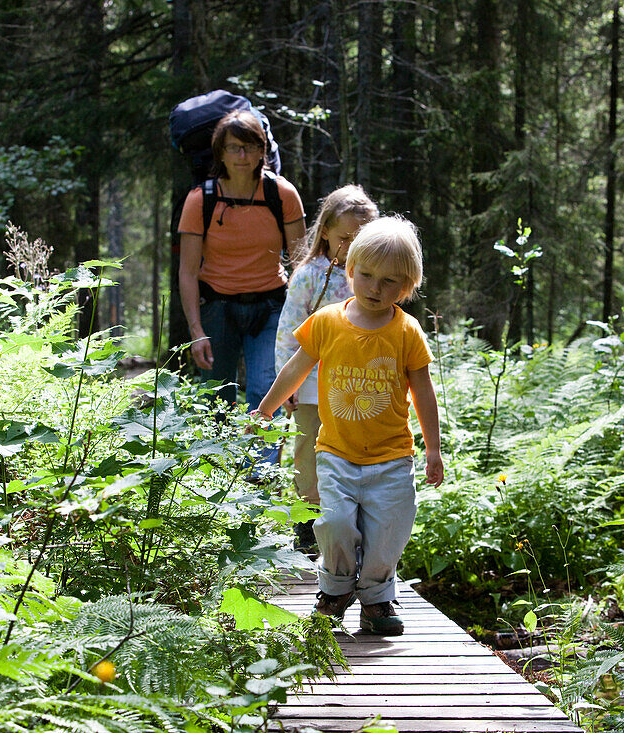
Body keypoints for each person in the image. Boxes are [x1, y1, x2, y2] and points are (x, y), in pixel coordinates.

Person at [253, 216, 444, 635]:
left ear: (406, 287)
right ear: (350, 270)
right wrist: (266, 408)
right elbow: (295, 368)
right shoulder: (327, 321)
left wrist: (433, 448)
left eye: (390, 281)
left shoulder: (407, 332)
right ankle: (336, 588)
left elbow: (424, 392)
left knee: (389, 533)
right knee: (334, 521)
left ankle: (376, 597)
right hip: (337, 451)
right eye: (368, 275)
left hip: (392, 457)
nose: (376, 288)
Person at [177, 110, 306, 464]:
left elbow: (301, 265)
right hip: (217, 308)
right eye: (234, 148)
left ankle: (258, 480)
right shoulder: (200, 200)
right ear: (220, 153)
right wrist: (196, 332)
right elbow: (188, 272)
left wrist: (302, 324)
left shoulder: (282, 194)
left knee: (268, 392)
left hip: (270, 308)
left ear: (262, 150)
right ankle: (218, 476)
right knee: (217, 397)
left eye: (249, 147)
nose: (242, 156)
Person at [273, 185, 379, 551]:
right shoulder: (310, 275)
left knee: (355, 458)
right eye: (344, 237)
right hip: (311, 387)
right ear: (326, 234)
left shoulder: (372, 279)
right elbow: (289, 332)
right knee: (308, 454)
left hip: (361, 391)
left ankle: (353, 529)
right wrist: (285, 386)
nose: (350, 246)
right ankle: (308, 529)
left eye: (360, 238)